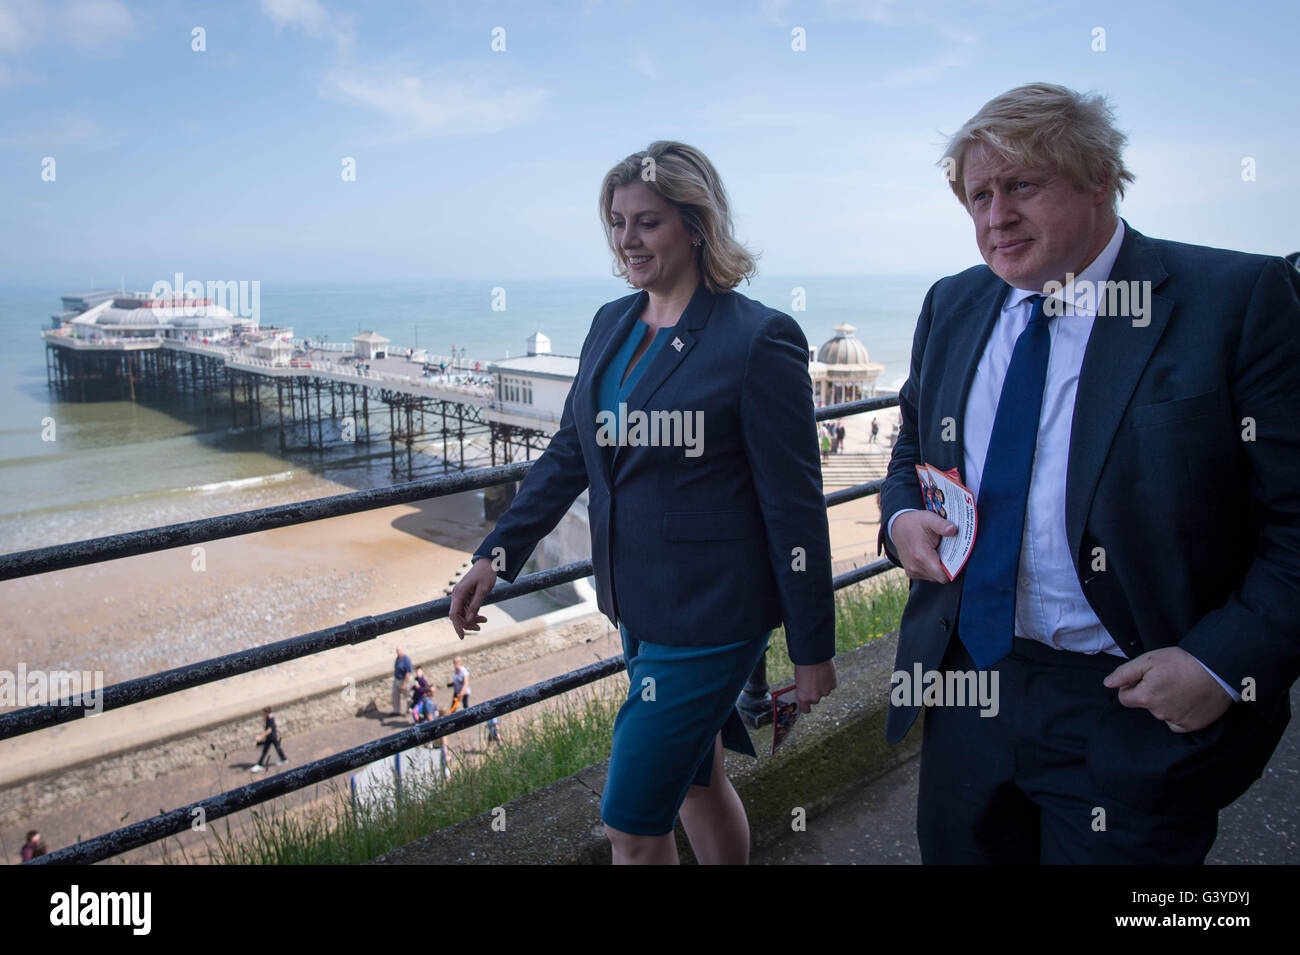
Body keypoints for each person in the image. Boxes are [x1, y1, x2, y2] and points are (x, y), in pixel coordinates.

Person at [878, 82, 1300, 864]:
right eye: (978, 196)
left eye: (1022, 186)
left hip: (1133, 701)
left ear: (1100, 179)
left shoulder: (1236, 299)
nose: (995, 217)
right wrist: (902, 515)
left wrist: (1219, 662)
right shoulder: (953, 305)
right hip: (973, 684)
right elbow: (913, 451)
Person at [450, 141, 837, 865]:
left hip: (714, 616)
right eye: (617, 221)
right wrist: (496, 555)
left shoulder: (758, 339)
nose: (628, 239)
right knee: (696, 782)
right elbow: (571, 451)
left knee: (629, 822)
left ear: (696, 226)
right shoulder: (611, 323)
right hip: (636, 604)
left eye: (648, 222)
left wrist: (814, 647)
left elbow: (796, 505)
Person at [250, 705, 287, 772]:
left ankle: (260, 764)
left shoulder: (270, 719)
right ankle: (284, 759)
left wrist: (260, 737)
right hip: (272, 737)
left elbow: (269, 730)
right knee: (276, 748)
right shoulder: (269, 718)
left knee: (265, 751)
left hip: (271, 737)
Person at [392, 645, 413, 717]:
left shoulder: (406, 659)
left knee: (408, 695)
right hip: (397, 679)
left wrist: (404, 683)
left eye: (399, 650)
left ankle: (409, 709)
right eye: (397, 651)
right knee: (395, 695)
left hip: (405, 680)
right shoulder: (397, 659)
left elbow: (408, 672)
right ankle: (396, 710)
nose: (398, 652)